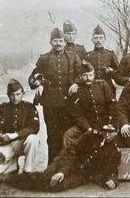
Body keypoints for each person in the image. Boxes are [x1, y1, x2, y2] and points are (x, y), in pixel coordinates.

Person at [5, 124, 121, 192]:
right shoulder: (91, 136)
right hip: (67, 162)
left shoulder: (114, 151)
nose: (107, 135)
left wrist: (113, 181)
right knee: (44, 177)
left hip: (80, 174)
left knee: (56, 186)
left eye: (111, 132)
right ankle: (7, 179)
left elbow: (112, 168)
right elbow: (71, 150)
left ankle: (18, 181)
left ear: (116, 132)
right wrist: (62, 171)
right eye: (105, 131)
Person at [28, 27, 81, 164]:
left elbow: (81, 74)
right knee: (52, 135)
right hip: (50, 104)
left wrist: (76, 83)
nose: (58, 43)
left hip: (69, 103)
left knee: (68, 134)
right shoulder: (44, 58)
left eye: (60, 41)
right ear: (50, 42)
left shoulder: (73, 57)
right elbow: (33, 78)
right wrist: (39, 83)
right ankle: (52, 166)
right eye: (55, 41)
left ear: (65, 42)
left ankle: (68, 166)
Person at [63, 60, 116, 148]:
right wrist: (88, 128)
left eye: (91, 75)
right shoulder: (77, 90)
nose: (88, 78)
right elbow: (77, 114)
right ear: (80, 76)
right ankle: (69, 160)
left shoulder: (102, 85)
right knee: (68, 135)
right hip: (87, 124)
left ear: (94, 75)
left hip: (104, 123)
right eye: (85, 75)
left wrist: (109, 121)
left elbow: (112, 104)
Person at [0, 79, 39, 174]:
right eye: (12, 95)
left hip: (22, 143)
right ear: (8, 95)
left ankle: (27, 170)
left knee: (33, 139)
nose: (15, 98)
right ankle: (13, 165)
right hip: (6, 145)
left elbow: (34, 127)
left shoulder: (29, 107)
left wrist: (15, 135)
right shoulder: (2, 108)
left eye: (18, 94)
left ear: (23, 94)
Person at [84, 24, 119, 95]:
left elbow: (119, 71)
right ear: (92, 40)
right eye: (96, 38)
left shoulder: (110, 54)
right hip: (92, 88)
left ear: (105, 39)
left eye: (100, 38)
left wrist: (111, 72)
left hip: (108, 88)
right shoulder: (87, 55)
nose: (98, 41)